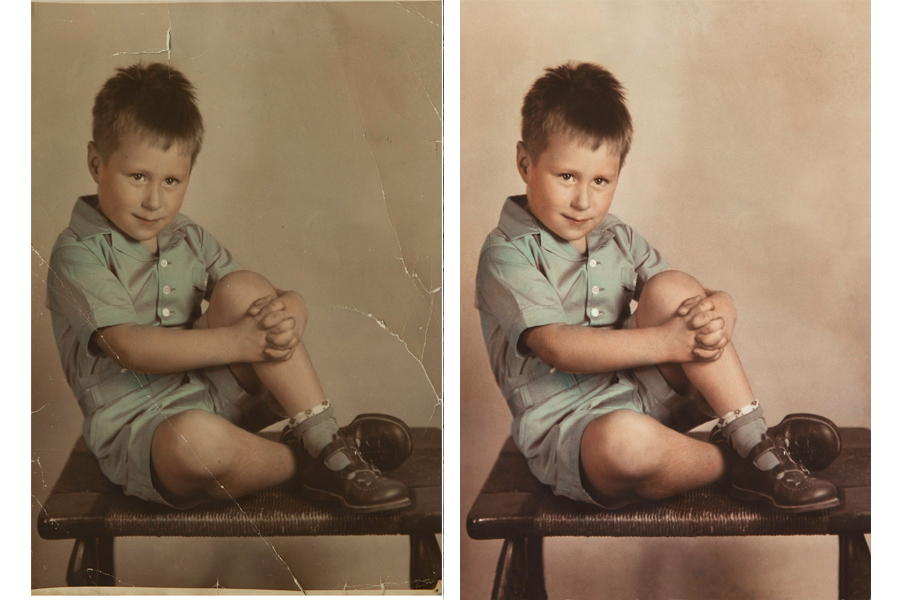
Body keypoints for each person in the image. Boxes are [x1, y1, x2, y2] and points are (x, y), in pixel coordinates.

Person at [475, 61, 842, 513]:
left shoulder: (617, 237)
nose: (583, 201)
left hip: (644, 393)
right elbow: (558, 347)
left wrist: (720, 307)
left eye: (601, 181)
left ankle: (753, 436)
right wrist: (669, 341)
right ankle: (744, 459)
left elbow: (683, 297)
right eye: (566, 176)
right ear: (525, 163)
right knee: (624, 442)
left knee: (671, 290)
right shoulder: (506, 254)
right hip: (574, 433)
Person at [47, 62, 413, 513]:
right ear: (96, 163)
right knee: (195, 443)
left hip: (216, 395)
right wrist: (241, 341)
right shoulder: (76, 253)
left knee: (242, 290)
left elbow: (255, 297)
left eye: (172, 181)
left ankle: (324, 437)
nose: (154, 201)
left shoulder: (187, 237)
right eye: (137, 177)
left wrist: (291, 309)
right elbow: (128, 347)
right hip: (146, 433)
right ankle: (315, 459)